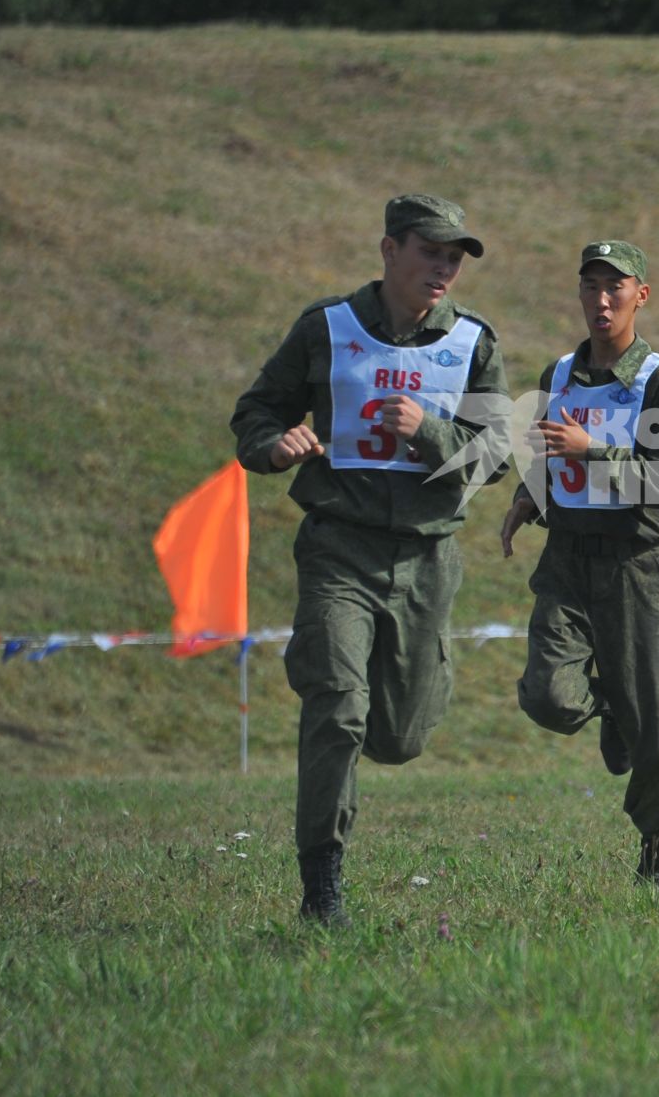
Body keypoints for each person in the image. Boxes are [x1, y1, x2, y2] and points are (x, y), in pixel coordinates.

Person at [230, 193, 510, 926]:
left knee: (399, 734)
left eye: (455, 257)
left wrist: (431, 433)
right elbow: (255, 412)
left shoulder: (474, 343)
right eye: (431, 251)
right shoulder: (326, 328)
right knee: (339, 707)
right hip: (339, 548)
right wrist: (273, 444)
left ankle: (403, 704)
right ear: (390, 251)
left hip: (427, 556)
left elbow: (498, 453)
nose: (444, 268)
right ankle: (321, 888)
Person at [501, 241, 659, 887]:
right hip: (567, 559)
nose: (601, 299)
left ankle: (657, 853)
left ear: (643, 294)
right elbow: (546, 451)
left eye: (616, 286)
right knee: (549, 696)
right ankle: (604, 703)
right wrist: (529, 494)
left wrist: (594, 451)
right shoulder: (558, 374)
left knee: (656, 726)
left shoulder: (658, 378)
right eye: (591, 286)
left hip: (635, 564)